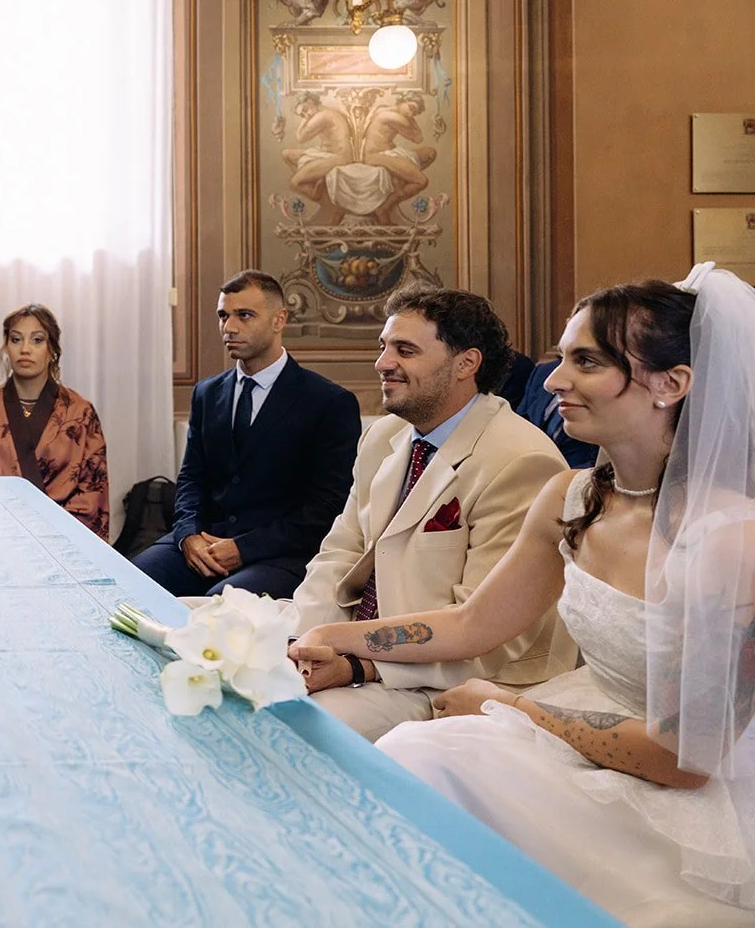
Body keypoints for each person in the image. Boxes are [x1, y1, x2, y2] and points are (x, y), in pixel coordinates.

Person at [293, 267, 755, 926]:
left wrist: (508, 705)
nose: (555, 380)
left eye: (586, 361)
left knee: (424, 760)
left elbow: (687, 759)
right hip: (595, 715)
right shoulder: (571, 497)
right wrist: (329, 637)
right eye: (562, 357)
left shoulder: (730, 540)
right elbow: (473, 621)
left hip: (695, 786)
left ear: (670, 384)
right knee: (417, 759)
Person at [290, 285, 572, 741]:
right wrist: (301, 643)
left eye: (405, 350)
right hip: (353, 642)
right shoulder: (384, 436)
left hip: (459, 678)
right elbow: (341, 551)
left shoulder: (521, 461)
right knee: (222, 666)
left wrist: (358, 666)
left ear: (466, 364)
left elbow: (492, 633)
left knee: (301, 729)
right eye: (383, 347)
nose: (382, 363)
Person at [133, 270, 360, 599]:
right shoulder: (207, 394)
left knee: (222, 609)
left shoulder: (328, 402)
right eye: (223, 316)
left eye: (244, 315)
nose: (229, 327)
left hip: (280, 554)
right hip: (204, 542)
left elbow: (326, 509)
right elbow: (191, 479)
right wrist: (187, 536)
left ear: (279, 320)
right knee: (125, 586)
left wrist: (243, 548)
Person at [0, 304, 110, 540]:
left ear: (52, 349)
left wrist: (48, 535)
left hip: (64, 541)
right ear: (6, 346)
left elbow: (92, 492)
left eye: (37, 340)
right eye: (16, 340)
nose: (25, 349)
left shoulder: (80, 412)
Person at [517, 357, 600, 469]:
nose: (549, 384)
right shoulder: (542, 372)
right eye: (562, 354)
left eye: (586, 361)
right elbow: (520, 421)